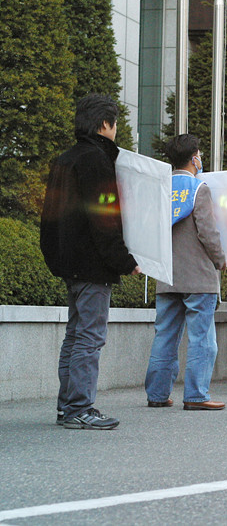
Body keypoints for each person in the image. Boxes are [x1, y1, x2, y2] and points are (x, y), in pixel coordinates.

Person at [40, 94, 141, 430]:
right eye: (115, 124)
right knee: (89, 336)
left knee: (75, 334)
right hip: (93, 264)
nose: (116, 131)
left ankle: (67, 406)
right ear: (105, 125)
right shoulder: (97, 161)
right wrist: (125, 261)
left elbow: (50, 217)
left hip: (69, 263)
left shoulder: (65, 159)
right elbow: (105, 218)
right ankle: (79, 408)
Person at [144, 134, 227, 411]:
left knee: (165, 335)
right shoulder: (199, 188)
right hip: (198, 276)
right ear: (194, 158)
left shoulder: (161, 187)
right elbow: (208, 231)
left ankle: (157, 394)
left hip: (167, 274)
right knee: (202, 338)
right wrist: (220, 259)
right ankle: (196, 395)